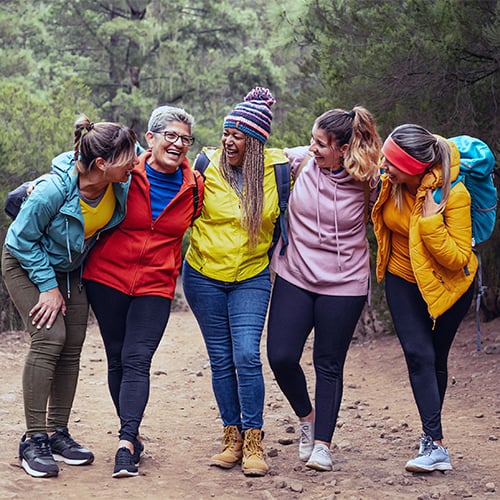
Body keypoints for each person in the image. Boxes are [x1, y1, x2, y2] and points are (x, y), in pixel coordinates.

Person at [2, 115, 138, 478]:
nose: (135, 163)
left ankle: (57, 432)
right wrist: (46, 286)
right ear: (101, 164)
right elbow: (19, 240)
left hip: (71, 266)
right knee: (50, 337)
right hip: (26, 262)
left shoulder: (115, 179)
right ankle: (33, 440)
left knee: (73, 342)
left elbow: (148, 149)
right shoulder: (51, 191)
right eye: (128, 158)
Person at [83, 105, 203, 478]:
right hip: (106, 279)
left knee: (138, 359)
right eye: (170, 135)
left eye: (185, 138)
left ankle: (125, 441)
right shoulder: (123, 173)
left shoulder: (195, 186)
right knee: (117, 358)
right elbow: (81, 169)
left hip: (156, 284)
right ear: (149, 139)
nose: (178, 144)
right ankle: (132, 435)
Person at [266, 106, 382, 472]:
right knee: (281, 355)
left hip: (344, 282)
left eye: (321, 144)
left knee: (328, 363)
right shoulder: (301, 163)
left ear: (344, 148)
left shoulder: (369, 181)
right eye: (312, 140)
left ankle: (322, 445)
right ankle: (307, 418)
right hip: (295, 273)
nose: (312, 148)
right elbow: (262, 157)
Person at [182, 87, 288, 477]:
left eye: (238, 135)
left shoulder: (279, 170)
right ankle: (232, 436)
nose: (228, 140)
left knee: (246, 355)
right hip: (204, 276)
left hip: (251, 277)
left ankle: (254, 437)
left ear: (256, 142)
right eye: (227, 132)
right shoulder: (205, 163)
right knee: (221, 359)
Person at [372, 124, 478, 473]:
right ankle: (436, 444)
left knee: (435, 359)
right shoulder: (391, 182)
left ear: (415, 167)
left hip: (449, 287)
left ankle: (431, 440)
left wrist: (432, 223)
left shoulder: (454, 194)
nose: (384, 167)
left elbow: (458, 258)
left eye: (392, 163)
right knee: (419, 355)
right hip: (403, 278)